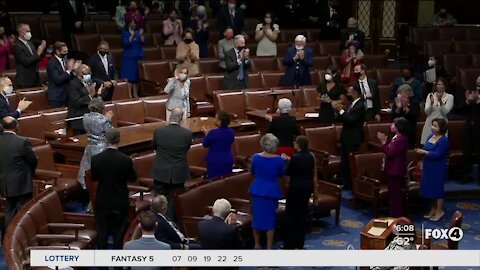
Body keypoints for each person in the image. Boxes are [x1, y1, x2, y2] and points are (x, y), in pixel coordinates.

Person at [91, 129, 138, 249]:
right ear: (118, 140)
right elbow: (133, 178)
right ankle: (118, 264)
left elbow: (94, 178)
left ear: (106, 140)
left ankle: (102, 266)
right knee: (119, 234)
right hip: (120, 201)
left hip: (103, 201)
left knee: (102, 233)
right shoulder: (126, 160)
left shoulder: (96, 159)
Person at [152, 108, 192, 220]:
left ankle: (156, 222)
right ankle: (170, 224)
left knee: (159, 199)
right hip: (178, 173)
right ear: (181, 119)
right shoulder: (187, 133)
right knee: (173, 200)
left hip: (161, 171)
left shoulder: (159, 131)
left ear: (170, 117)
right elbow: (186, 148)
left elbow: (153, 146)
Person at [248, 133, 285, 250]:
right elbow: (281, 174)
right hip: (271, 191)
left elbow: (252, 172)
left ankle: (257, 244)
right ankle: (269, 247)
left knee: (256, 218)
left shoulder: (256, 157)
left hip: (257, 190)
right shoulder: (279, 160)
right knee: (270, 220)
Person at [0, 117, 38, 228]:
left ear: (2, 127)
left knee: (10, 210)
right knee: (23, 211)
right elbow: (33, 160)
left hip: (4, 183)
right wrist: (32, 172)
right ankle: (22, 237)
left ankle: (8, 238)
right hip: (21, 183)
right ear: (16, 126)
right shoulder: (22, 141)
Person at [77, 97, 114, 210]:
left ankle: (89, 202)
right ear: (101, 107)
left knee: (88, 175)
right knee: (101, 179)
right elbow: (111, 134)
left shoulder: (85, 117)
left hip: (90, 148)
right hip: (101, 149)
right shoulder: (104, 120)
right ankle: (93, 205)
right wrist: (109, 119)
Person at [284, 136, 314, 249]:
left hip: (295, 189)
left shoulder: (295, 158)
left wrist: (288, 161)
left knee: (291, 216)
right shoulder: (311, 156)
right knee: (302, 215)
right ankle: (300, 244)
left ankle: (289, 244)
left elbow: (288, 172)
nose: (294, 144)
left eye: (295, 143)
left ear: (299, 145)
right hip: (307, 188)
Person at [332, 85, 366, 188]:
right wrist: (337, 111)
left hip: (353, 138)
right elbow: (344, 118)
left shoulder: (360, 106)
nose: (347, 94)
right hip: (346, 138)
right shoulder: (352, 104)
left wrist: (340, 110)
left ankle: (351, 185)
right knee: (345, 163)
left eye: (349, 92)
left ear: (355, 92)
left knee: (350, 164)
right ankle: (345, 183)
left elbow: (350, 120)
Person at [416, 118, 449, 221]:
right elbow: (426, 147)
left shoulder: (444, 140)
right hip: (428, 166)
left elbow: (438, 154)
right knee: (430, 189)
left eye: (435, 126)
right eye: (432, 125)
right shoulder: (430, 136)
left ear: (441, 128)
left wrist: (425, 153)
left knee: (437, 189)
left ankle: (440, 211)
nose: (432, 127)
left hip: (438, 167)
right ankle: (433, 209)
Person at [377, 117, 409, 218]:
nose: (391, 126)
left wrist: (383, 142)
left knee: (395, 197)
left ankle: (397, 218)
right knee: (393, 196)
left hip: (396, 171)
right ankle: (394, 216)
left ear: (398, 127)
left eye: (393, 124)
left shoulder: (401, 139)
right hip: (391, 170)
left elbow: (390, 153)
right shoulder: (396, 137)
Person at [67, 64, 104, 135]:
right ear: (79, 74)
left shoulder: (90, 82)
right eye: (85, 74)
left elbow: (92, 99)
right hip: (78, 118)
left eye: (89, 73)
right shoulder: (73, 84)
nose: (88, 75)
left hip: (89, 117)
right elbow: (76, 102)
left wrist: (98, 94)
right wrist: (90, 95)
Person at [202, 111, 235, 179]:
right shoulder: (231, 132)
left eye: (215, 119)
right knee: (226, 181)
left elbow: (205, 144)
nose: (214, 120)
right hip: (227, 160)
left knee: (214, 183)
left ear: (219, 121)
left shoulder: (213, 133)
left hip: (214, 161)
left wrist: (206, 135)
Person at [420, 79, 454, 145]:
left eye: (442, 84)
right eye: (438, 84)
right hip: (430, 124)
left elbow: (445, 112)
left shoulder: (449, 97)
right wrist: (431, 103)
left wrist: (440, 102)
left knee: (440, 145)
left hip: (442, 125)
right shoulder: (430, 95)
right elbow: (427, 112)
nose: (440, 86)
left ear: (445, 86)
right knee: (427, 145)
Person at [459, 79, 480, 184]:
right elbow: (460, 110)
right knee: (466, 153)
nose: (478, 85)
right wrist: (468, 101)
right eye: (477, 82)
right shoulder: (471, 94)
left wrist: (478, 102)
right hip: (469, 129)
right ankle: (465, 177)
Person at [14, 23, 47, 88]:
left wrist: (42, 50)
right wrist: (38, 53)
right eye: (27, 31)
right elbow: (26, 61)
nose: (29, 33)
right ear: (21, 32)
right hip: (25, 80)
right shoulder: (17, 46)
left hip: (35, 77)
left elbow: (36, 58)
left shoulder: (30, 43)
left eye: (29, 31)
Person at [46, 41, 78, 108]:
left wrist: (74, 71)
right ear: (57, 51)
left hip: (68, 95)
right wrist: (69, 70)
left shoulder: (66, 60)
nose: (66, 53)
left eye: (67, 51)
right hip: (57, 97)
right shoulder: (52, 63)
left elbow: (69, 77)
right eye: (64, 52)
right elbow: (58, 80)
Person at [121, 19, 145, 98]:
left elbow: (143, 42)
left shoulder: (139, 32)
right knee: (129, 77)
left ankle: (135, 94)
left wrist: (141, 35)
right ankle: (129, 95)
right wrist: (131, 35)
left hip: (138, 57)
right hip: (128, 58)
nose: (133, 25)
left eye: (134, 23)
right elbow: (126, 43)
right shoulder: (125, 33)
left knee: (137, 77)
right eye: (131, 23)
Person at [391, 84, 420, 148]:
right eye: (400, 94)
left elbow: (414, 117)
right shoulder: (396, 104)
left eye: (404, 94)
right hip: (398, 131)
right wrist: (398, 108)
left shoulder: (414, 103)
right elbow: (392, 117)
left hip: (410, 132)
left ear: (409, 95)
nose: (401, 96)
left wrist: (406, 108)